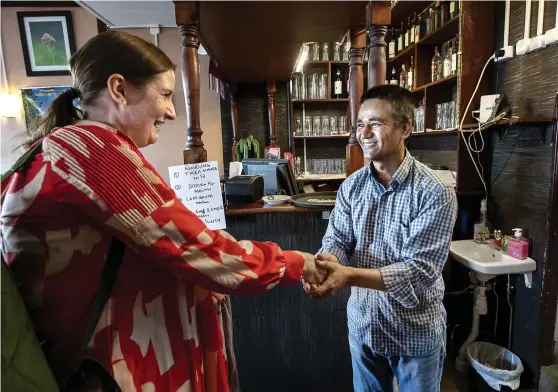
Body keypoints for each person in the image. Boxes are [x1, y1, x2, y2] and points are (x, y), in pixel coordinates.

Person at [1, 31, 325, 391]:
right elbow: (203, 251)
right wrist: (297, 262)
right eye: (166, 95)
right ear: (119, 89)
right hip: (110, 371)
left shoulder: (65, 146)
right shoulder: (92, 149)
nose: (171, 111)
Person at [307, 85, 458, 392]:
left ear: (405, 128)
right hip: (364, 325)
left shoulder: (436, 192)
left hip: (414, 331)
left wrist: (346, 276)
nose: (364, 132)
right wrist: (326, 264)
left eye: (375, 123)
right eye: (359, 124)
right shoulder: (352, 187)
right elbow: (338, 239)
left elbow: (420, 272)